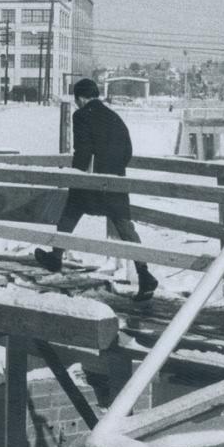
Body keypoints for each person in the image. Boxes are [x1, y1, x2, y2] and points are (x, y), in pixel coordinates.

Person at [36, 77, 159, 301]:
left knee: (70, 213)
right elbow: (127, 151)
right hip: (116, 181)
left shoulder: (81, 115)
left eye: (77, 101)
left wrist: (76, 175)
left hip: (92, 182)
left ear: (81, 98)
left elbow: (83, 149)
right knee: (125, 228)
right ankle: (144, 274)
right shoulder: (114, 116)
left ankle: (55, 256)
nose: (77, 104)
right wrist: (114, 170)